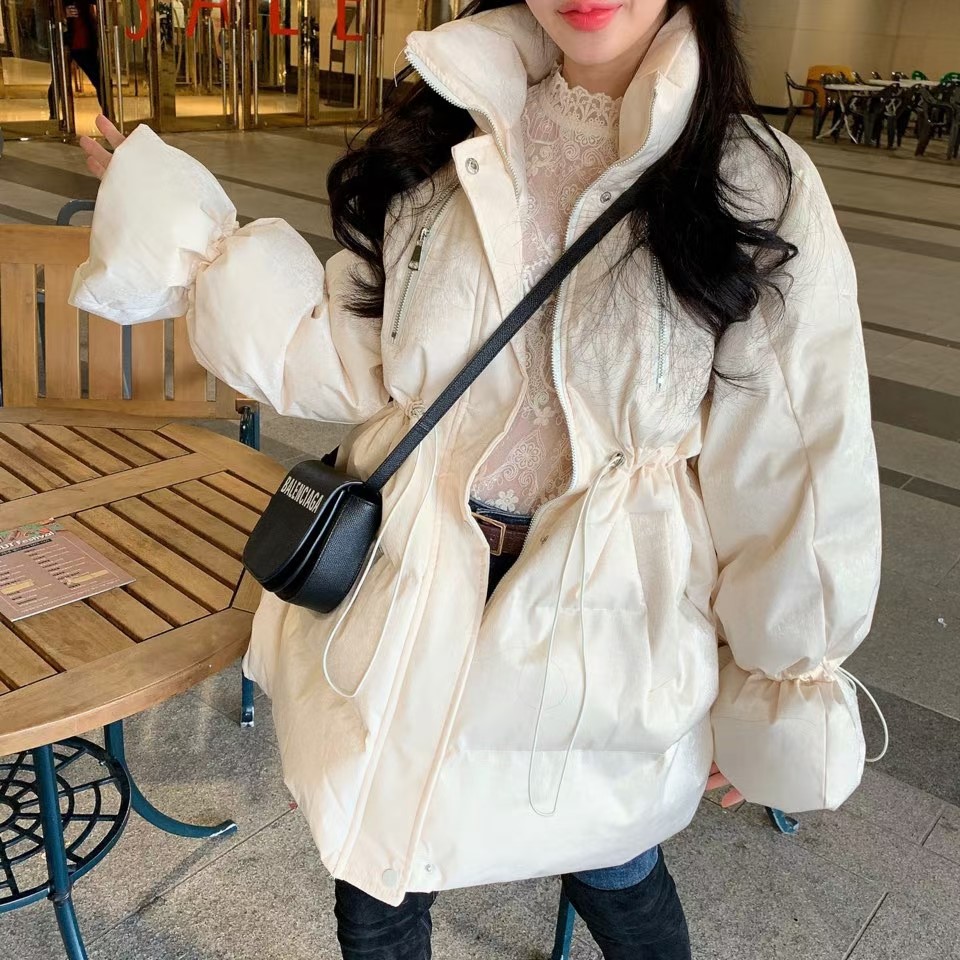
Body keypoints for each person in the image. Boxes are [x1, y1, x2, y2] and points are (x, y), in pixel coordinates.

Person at [72, 1, 883, 957]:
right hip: (412, 587)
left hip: (610, 619)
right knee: (378, 869)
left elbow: (795, 462)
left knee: (618, 872)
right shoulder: (455, 122)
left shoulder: (751, 182)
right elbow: (355, 353)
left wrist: (779, 686)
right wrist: (187, 238)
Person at [48, 2, 103, 121]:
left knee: (100, 81)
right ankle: (54, 116)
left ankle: (108, 114)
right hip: (69, 42)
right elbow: (50, 12)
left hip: (84, 43)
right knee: (58, 82)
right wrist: (62, 15)